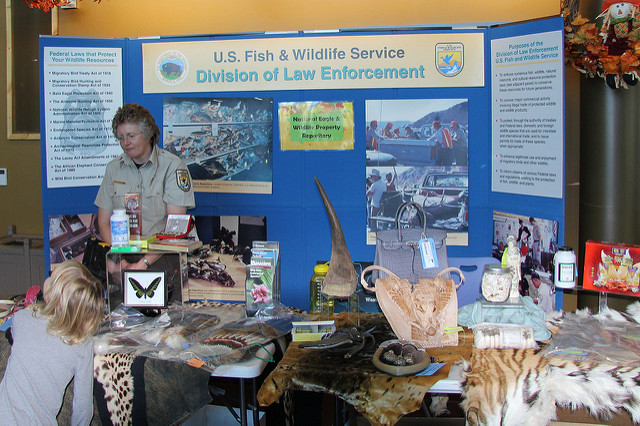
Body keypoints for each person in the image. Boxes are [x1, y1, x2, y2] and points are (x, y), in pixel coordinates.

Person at [0, 260, 104, 424]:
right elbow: (83, 408)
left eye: (51, 276)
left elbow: (17, 334)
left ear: (51, 294)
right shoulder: (83, 343)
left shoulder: (21, 319)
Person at [95, 104, 195, 269]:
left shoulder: (173, 167)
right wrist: (119, 259)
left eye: (131, 136)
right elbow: (103, 220)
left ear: (147, 134)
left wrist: (144, 263)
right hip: (121, 260)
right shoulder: (113, 168)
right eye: (121, 138)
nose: (126, 143)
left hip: (162, 257)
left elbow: (175, 227)